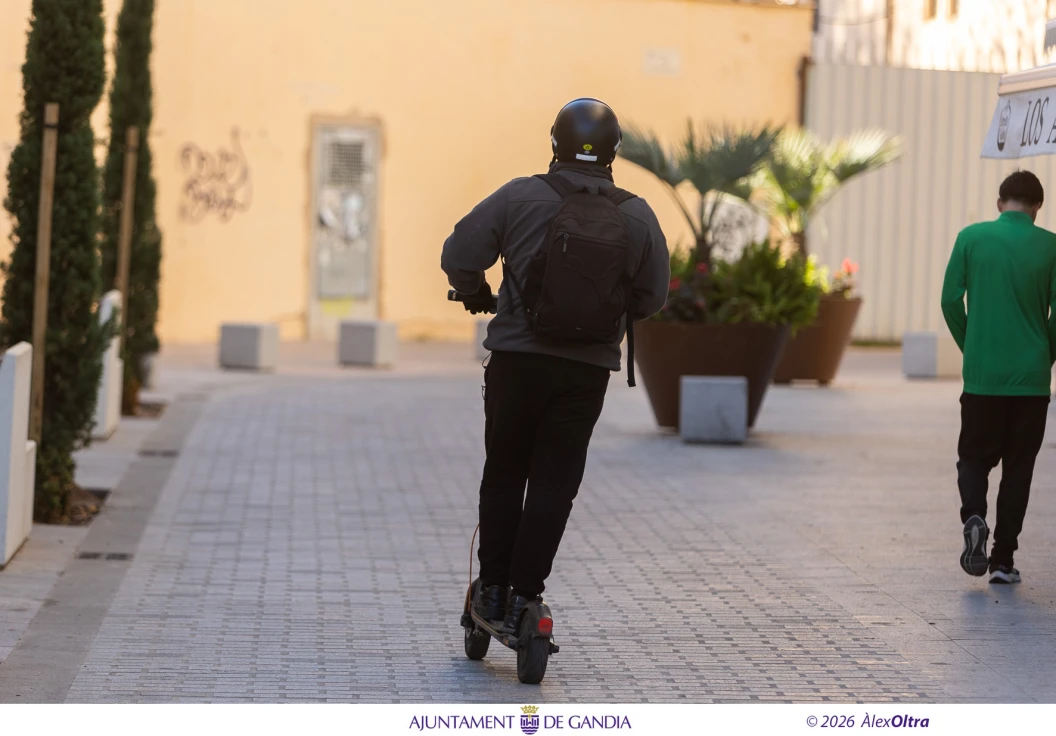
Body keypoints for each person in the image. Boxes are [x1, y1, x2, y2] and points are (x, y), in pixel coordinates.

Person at [441, 98, 670, 629]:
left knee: (504, 473)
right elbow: (652, 295)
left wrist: (476, 290)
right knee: (554, 484)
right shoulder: (636, 214)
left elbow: (459, 254)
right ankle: (526, 598)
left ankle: (492, 592)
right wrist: (604, 317)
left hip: (517, 362)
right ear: (615, 150)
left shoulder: (519, 196)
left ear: (554, 144)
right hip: (585, 373)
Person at [941, 170, 1056, 585]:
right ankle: (1003, 560)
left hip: (982, 376)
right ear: (1037, 208)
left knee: (973, 456)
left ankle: (974, 514)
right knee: (1019, 467)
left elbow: (949, 299)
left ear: (999, 203)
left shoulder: (970, 238)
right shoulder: (1051, 246)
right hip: (1031, 379)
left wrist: (972, 344)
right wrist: (1045, 354)